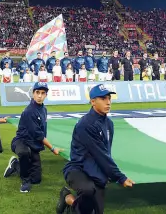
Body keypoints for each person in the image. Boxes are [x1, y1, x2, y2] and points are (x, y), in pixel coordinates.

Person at [56, 84, 134, 214]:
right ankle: (67, 197)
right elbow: (100, 155)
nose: (108, 102)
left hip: (95, 170)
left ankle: (71, 202)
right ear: (93, 102)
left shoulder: (109, 124)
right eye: (103, 99)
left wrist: (107, 174)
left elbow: (106, 152)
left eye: (109, 98)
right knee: (88, 190)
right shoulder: (86, 124)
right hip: (78, 168)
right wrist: (120, 177)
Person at [4, 82, 61, 193]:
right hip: (21, 141)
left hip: (33, 144)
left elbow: (41, 132)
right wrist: (53, 148)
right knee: (24, 153)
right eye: (37, 92)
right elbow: (38, 134)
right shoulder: (29, 111)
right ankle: (25, 181)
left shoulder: (43, 109)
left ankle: (15, 164)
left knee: (36, 179)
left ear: (46, 95)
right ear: (33, 93)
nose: (40, 96)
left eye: (43, 93)